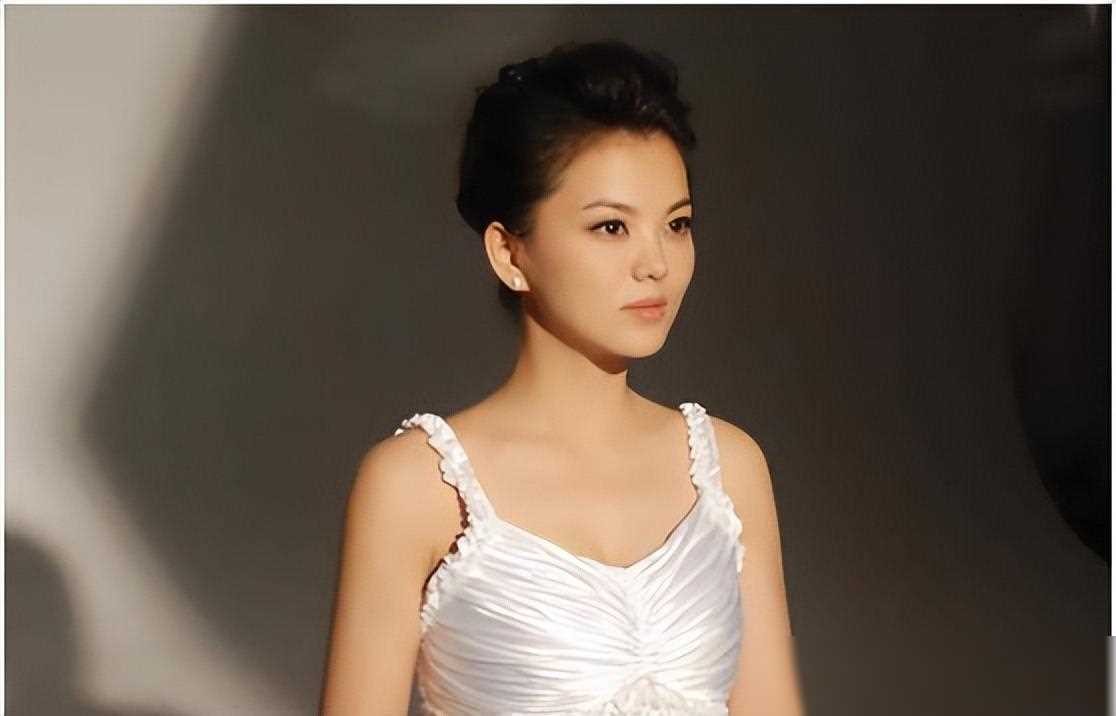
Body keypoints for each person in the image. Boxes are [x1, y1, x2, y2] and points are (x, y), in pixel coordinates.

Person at [320, 39, 804, 715]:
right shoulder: (416, 488)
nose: (656, 263)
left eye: (677, 224)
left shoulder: (729, 470)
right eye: (611, 227)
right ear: (509, 252)